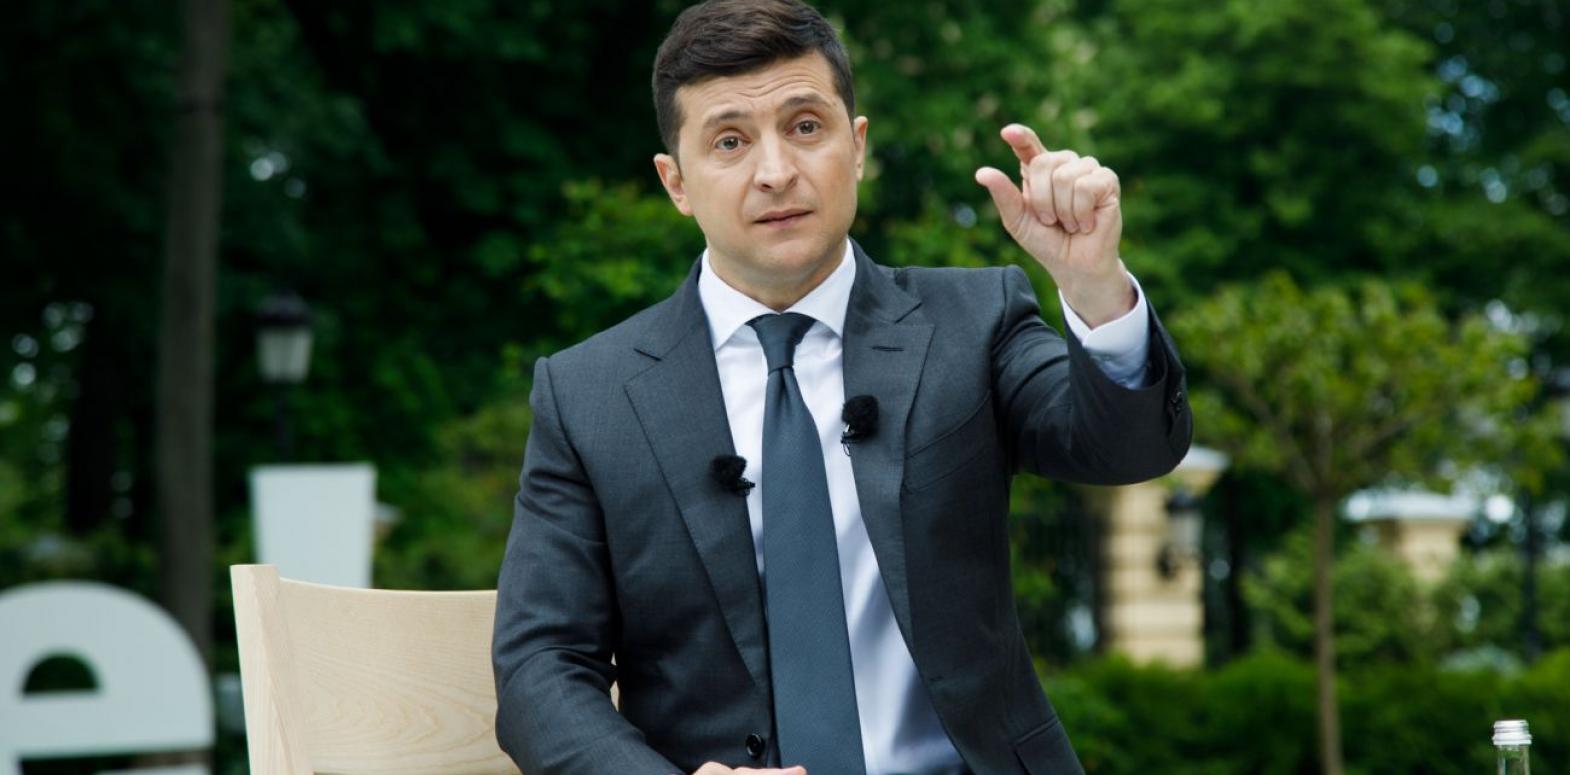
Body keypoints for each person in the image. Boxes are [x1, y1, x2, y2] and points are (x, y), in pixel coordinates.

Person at [491, 0, 1191, 772]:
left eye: (805, 126)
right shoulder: (588, 397)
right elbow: (540, 668)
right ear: (676, 181)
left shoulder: (972, 320)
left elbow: (1127, 447)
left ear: (856, 147)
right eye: (730, 141)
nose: (776, 172)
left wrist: (1094, 287)